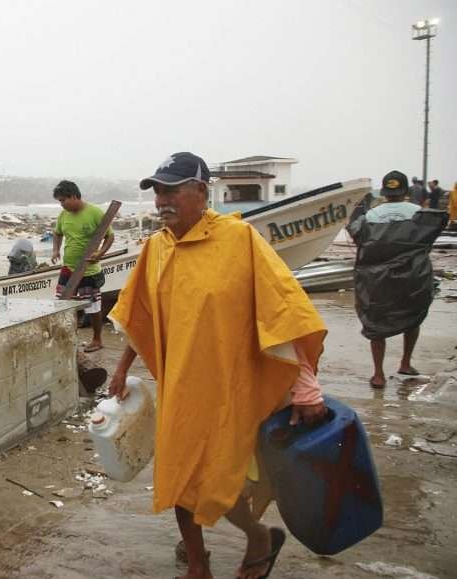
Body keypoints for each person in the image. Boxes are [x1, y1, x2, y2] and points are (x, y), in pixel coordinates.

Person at [107, 152, 328, 579]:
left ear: (201, 191)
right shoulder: (156, 248)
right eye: (157, 191)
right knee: (178, 476)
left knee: (224, 480)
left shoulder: (239, 240)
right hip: (180, 388)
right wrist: (120, 369)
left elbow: (283, 313)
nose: (161, 200)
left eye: (171, 190)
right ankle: (197, 564)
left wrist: (305, 385)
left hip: (230, 388)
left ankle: (259, 538)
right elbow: (140, 317)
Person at [348, 170, 447, 388]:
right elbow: (429, 238)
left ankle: (378, 375)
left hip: (377, 279)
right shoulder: (419, 213)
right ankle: (405, 363)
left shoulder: (370, 216)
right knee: (413, 317)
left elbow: (359, 239)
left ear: (384, 192)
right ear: (405, 191)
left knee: (376, 322)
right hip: (413, 276)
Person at [50, 180, 115, 353]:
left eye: (63, 200)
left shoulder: (94, 213)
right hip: (68, 268)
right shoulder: (63, 215)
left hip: (89, 269)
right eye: (59, 201)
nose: (61, 204)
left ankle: (97, 340)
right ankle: (67, 338)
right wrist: (55, 250)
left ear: (73, 196)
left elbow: (109, 236)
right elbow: (57, 233)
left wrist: (100, 253)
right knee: (62, 303)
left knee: (93, 306)